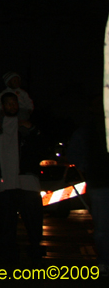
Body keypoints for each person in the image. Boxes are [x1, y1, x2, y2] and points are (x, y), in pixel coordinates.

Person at [0, 91, 45, 264]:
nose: (12, 106)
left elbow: (42, 146)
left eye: (14, 103)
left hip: (27, 182)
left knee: (33, 221)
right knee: (6, 223)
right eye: (8, 103)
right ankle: (9, 255)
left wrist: (33, 130)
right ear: (2, 107)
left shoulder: (27, 125)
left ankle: (35, 251)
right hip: (3, 183)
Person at [68, 103, 109, 277]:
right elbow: (73, 154)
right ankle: (105, 262)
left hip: (98, 182)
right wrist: (89, 168)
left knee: (102, 228)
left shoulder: (87, 130)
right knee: (102, 228)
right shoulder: (87, 131)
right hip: (99, 183)